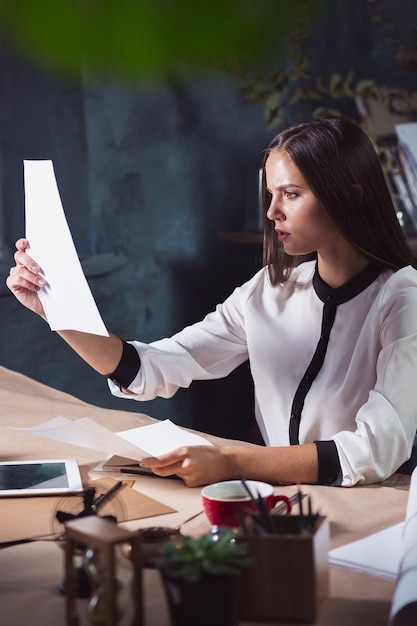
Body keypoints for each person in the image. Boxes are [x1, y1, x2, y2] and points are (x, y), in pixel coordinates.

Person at [6, 116, 417, 488]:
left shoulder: (401, 297)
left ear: (351, 196)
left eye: (291, 194)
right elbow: (152, 366)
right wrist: (56, 310)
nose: (272, 212)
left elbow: (375, 450)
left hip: (374, 510)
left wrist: (232, 460)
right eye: (270, 193)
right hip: (279, 502)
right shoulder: (269, 290)